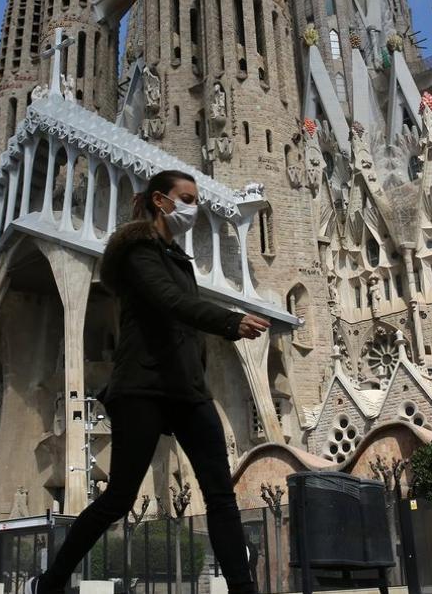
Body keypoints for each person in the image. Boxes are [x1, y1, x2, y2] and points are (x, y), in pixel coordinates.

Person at [27, 170, 270, 594]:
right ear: (161, 201)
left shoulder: (179, 259)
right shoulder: (138, 252)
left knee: (219, 494)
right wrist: (231, 321)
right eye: (187, 198)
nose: (194, 208)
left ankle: (242, 589)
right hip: (142, 385)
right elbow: (172, 303)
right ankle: (51, 583)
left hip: (187, 389)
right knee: (119, 497)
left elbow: (184, 319)